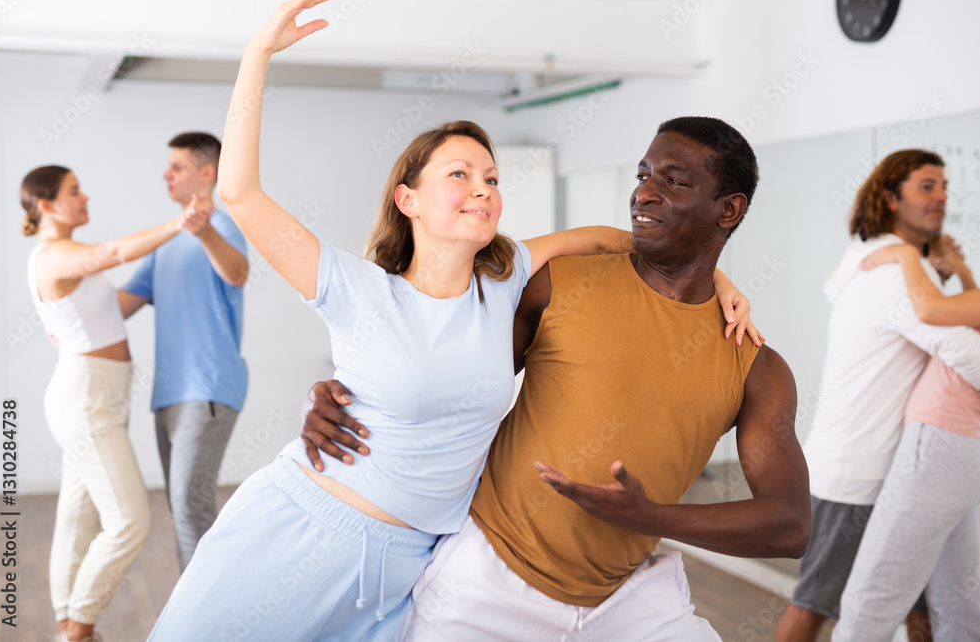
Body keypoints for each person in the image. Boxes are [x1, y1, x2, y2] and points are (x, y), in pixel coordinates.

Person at [147, 0, 757, 642]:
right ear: (407, 199)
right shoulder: (357, 289)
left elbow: (624, 239)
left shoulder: (508, 277)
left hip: (407, 568)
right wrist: (258, 53)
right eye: (459, 174)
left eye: (491, 178)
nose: (482, 188)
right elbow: (240, 192)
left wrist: (722, 279)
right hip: (303, 529)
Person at [301, 115, 811, 640]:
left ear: (729, 210)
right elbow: (433, 378)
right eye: (643, 175)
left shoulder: (756, 367)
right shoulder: (555, 283)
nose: (643, 193)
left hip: (628, 597)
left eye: (674, 181)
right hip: (486, 579)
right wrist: (343, 396)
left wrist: (652, 517)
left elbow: (790, 524)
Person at [776, 150, 980, 641]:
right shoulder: (892, 273)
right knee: (815, 607)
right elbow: (970, 356)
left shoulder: (877, 262)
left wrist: (938, 269)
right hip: (858, 472)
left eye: (944, 186)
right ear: (890, 198)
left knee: (921, 611)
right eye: (927, 186)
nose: (942, 197)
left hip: (897, 471)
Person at [20, 165, 208, 642]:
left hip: (98, 395)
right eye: (74, 191)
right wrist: (180, 222)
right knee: (129, 521)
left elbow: (111, 306)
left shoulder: (63, 255)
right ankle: (78, 630)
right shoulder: (55, 255)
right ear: (46, 204)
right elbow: (115, 251)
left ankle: (68, 623)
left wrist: (163, 279)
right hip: (86, 400)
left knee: (77, 519)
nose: (84, 197)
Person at [830, 235, 980, 641]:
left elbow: (930, 309)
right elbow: (977, 314)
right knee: (960, 604)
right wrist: (963, 271)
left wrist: (905, 254)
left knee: (873, 591)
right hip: (965, 454)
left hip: (937, 447)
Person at [118, 131, 249, 572]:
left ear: (206, 173)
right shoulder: (166, 243)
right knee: (183, 512)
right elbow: (120, 306)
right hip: (167, 396)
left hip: (207, 389)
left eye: (177, 167)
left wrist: (204, 230)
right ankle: (201, 603)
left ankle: (209, 609)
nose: (166, 175)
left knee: (191, 509)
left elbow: (237, 273)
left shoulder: (223, 228)